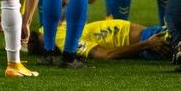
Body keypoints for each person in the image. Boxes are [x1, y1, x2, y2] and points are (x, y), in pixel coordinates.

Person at [27, 19, 170, 60]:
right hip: (149, 42)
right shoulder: (63, 42)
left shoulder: (47, 29)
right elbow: (105, 55)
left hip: (148, 34)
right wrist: (146, 44)